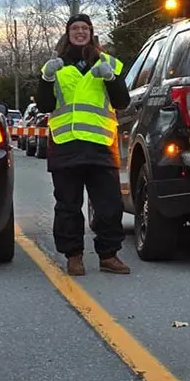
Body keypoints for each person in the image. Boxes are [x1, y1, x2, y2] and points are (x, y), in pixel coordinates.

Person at [35, 14, 131, 276]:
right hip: (66, 145)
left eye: (84, 28)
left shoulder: (108, 63)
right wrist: (45, 78)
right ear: (68, 34)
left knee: (109, 206)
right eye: (75, 28)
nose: (80, 32)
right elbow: (44, 105)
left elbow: (122, 101)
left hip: (100, 145)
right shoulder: (56, 66)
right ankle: (73, 256)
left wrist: (111, 78)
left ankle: (109, 255)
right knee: (68, 206)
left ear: (91, 33)